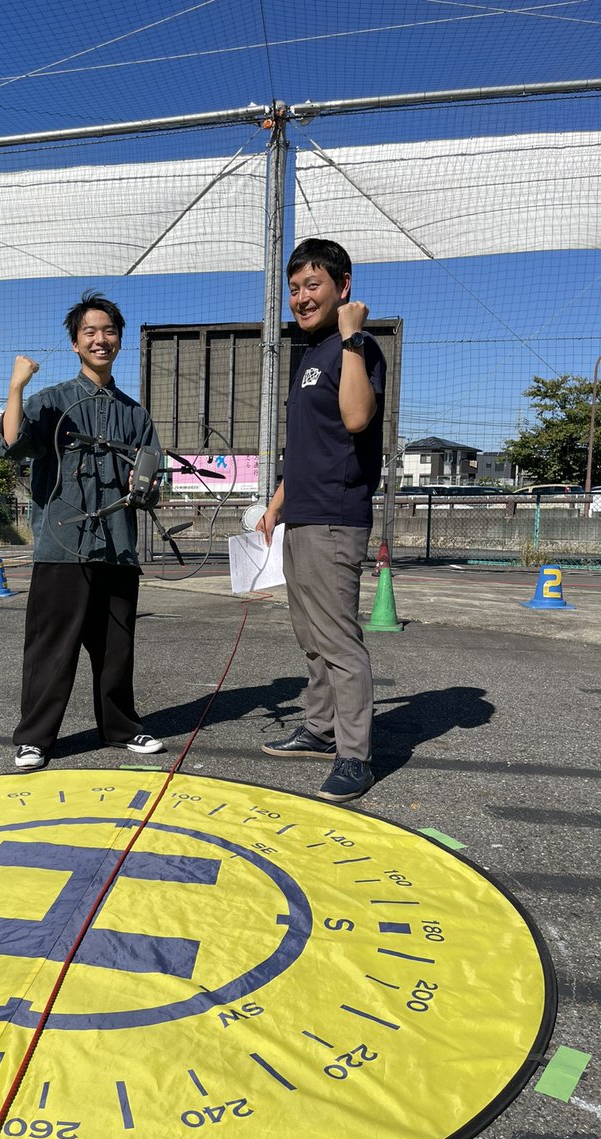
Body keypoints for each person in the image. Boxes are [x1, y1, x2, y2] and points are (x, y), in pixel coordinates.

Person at [0, 291, 165, 772]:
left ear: (119, 340)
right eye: (90, 332)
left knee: (116, 646)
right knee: (51, 648)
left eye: (108, 331)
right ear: (74, 343)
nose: (100, 339)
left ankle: (122, 727)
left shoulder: (135, 415)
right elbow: (11, 442)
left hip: (117, 547)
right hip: (60, 546)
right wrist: (16, 388)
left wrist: (146, 485)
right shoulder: (50, 402)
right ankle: (34, 738)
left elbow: (154, 478)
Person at [257, 238, 386, 803]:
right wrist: (278, 502)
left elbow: (357, 418)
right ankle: (318, 728)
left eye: (313, 285)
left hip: (336, 516)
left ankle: (355, 756)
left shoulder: (357, 349)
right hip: (303, 515)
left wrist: (354, 337)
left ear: (343, 286)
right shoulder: (310, 355)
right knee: (311, 637)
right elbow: (311, 445)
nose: (301, 298)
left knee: (339, 642)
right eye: (295, 288)